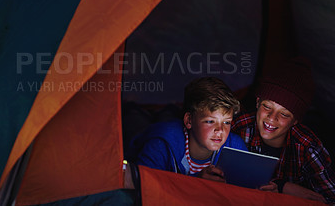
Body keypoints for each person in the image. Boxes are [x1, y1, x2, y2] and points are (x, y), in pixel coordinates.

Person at [232, 56, 335, 204]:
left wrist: (285, 193)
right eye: (267, 106)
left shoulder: (307, 148)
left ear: (295, 121)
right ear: (257, 102)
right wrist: (283, 186)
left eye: (284, 114)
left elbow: (330, 198)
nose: (272, 118)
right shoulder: (239, 126)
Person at [127, 77, 247, 182]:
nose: (220, 130)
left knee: (167, 114)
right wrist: (195, 182)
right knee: (134, 118)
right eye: (210, 121)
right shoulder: (161, 143)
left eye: (226, 122)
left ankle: (169, 110)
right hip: (147, 128)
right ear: (189, 121)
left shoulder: (234, 147)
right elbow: (144, 185)